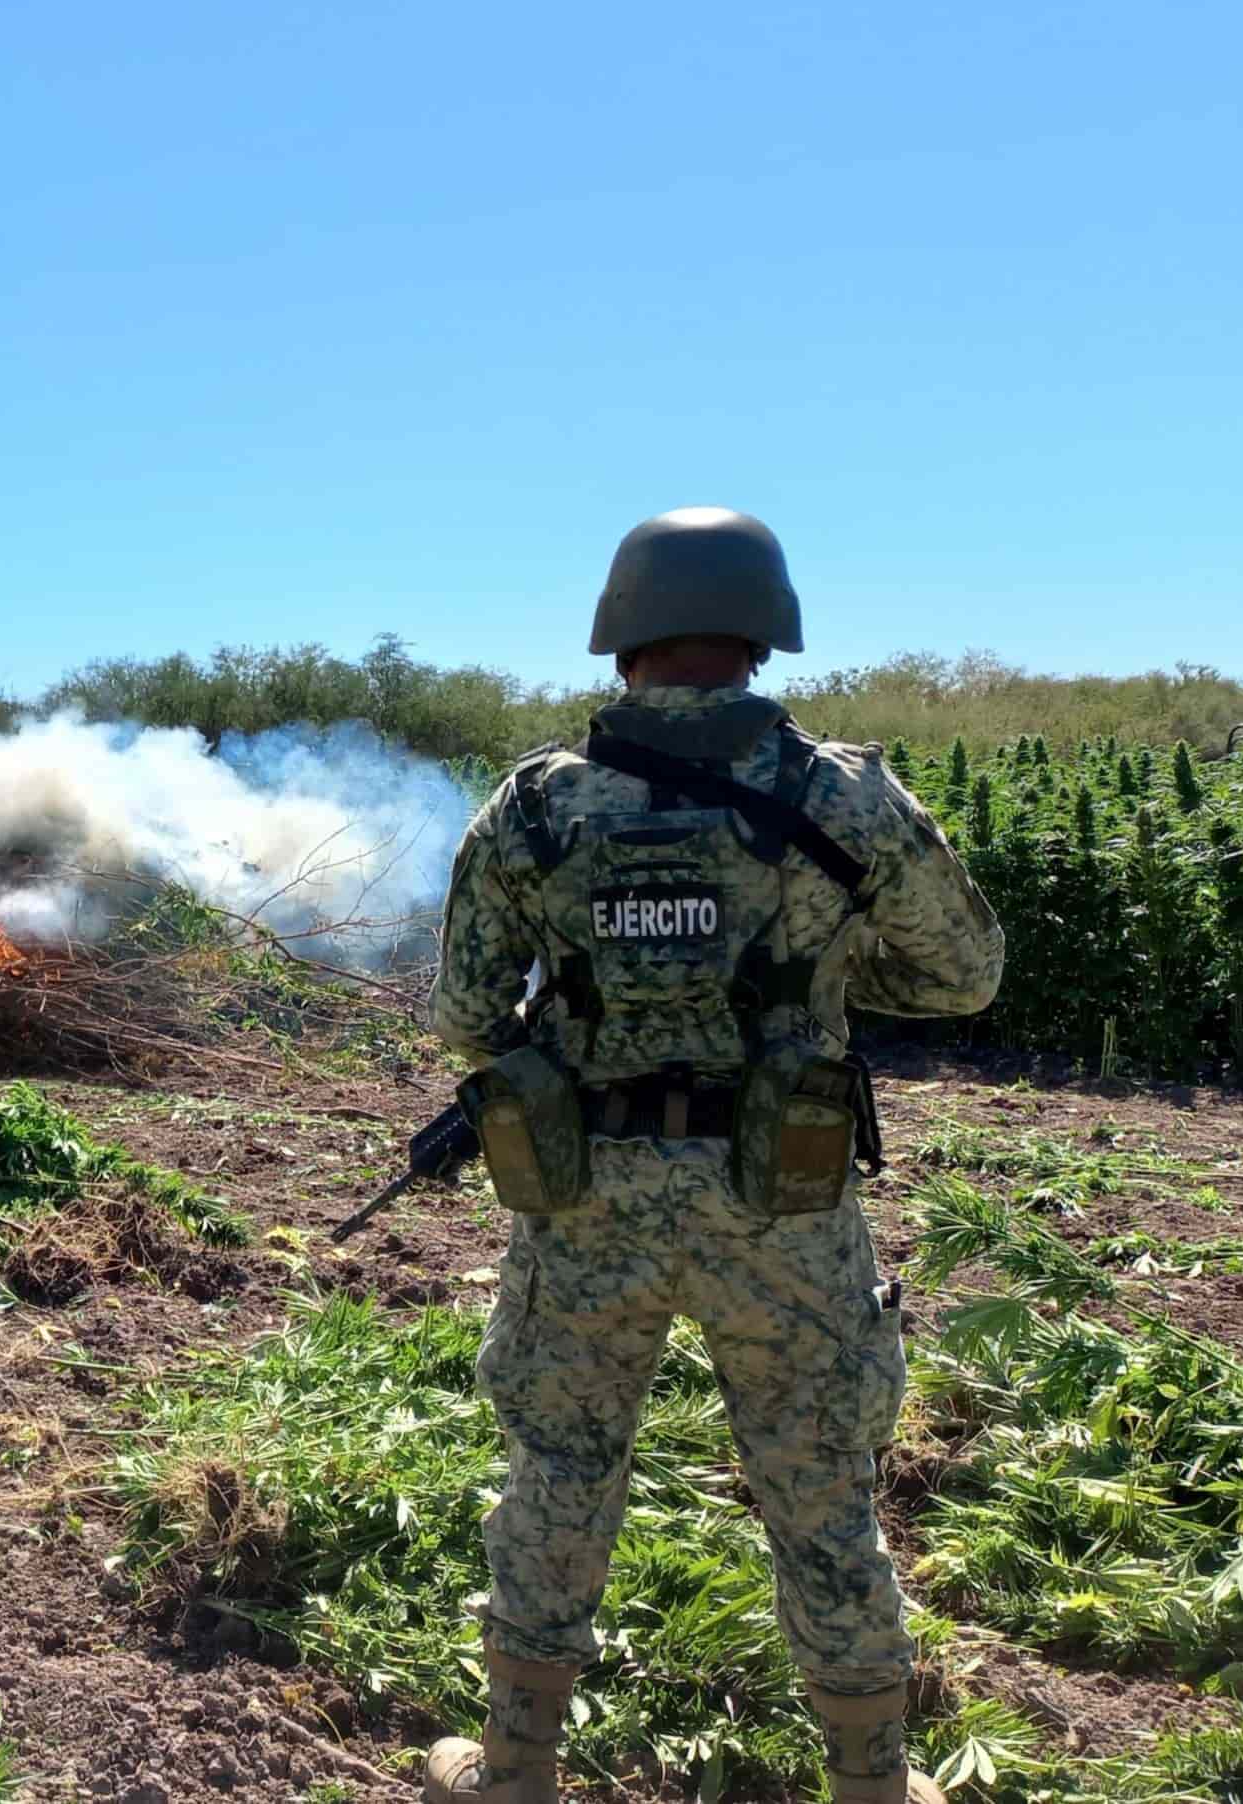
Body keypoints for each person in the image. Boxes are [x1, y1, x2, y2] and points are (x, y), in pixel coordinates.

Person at [419, 507, 1004, 1804]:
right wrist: (830, 975)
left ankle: (514, 1770)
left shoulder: (537, 808)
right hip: (781, 1208)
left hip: (586, 1208)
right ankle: (871, 1785)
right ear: (761, 633)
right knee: (818, 1486)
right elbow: (965, 975)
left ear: (619, 634)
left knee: (562, 1467)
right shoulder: (841, 795)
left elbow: (463, 1018)